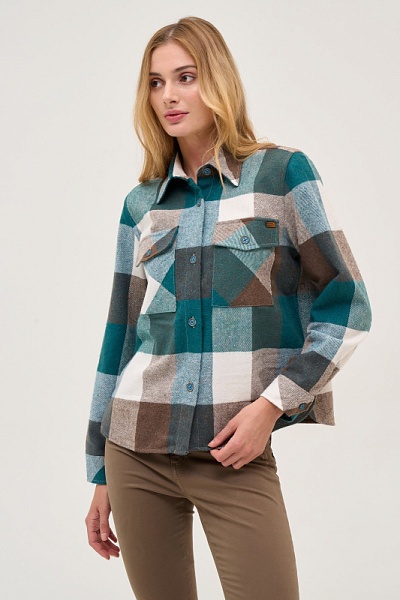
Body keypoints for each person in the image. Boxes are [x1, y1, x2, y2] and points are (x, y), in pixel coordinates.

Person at [84, 16, 371, 600]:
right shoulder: (142, 204)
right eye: (156, 82)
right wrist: (100, 470)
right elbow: (121, 336)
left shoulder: (282, 174)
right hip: (135, 449)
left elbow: (348, 307)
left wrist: (271, 406)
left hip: (234, 454)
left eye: (185, 77)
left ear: (217, 80)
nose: (169, 95)